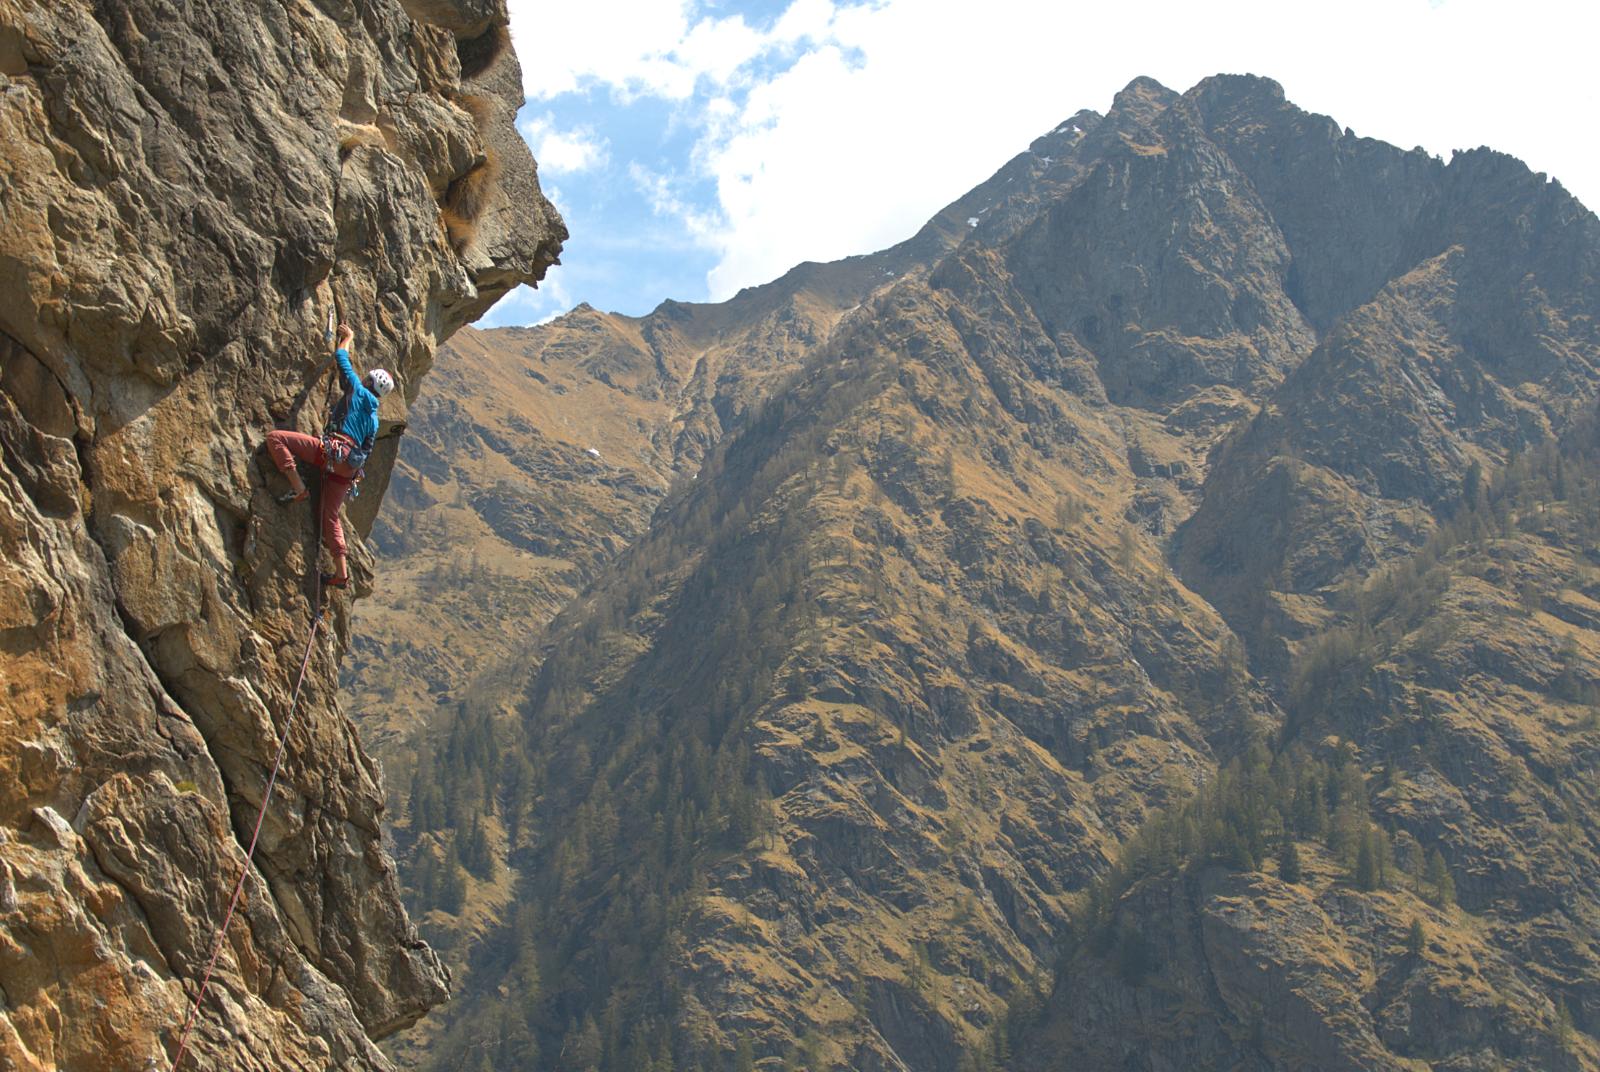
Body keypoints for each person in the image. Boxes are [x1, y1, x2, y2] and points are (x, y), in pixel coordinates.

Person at [265, 323, 394, 589]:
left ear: (369, 382)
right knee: (330, 517)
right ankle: (341, 574)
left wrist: (348, 337)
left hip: (332, 453)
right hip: (348, 470)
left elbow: (341, 359)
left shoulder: (358, 391)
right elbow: (367, 450)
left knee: (276, 438)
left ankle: (299, 488)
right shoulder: (374, 419)